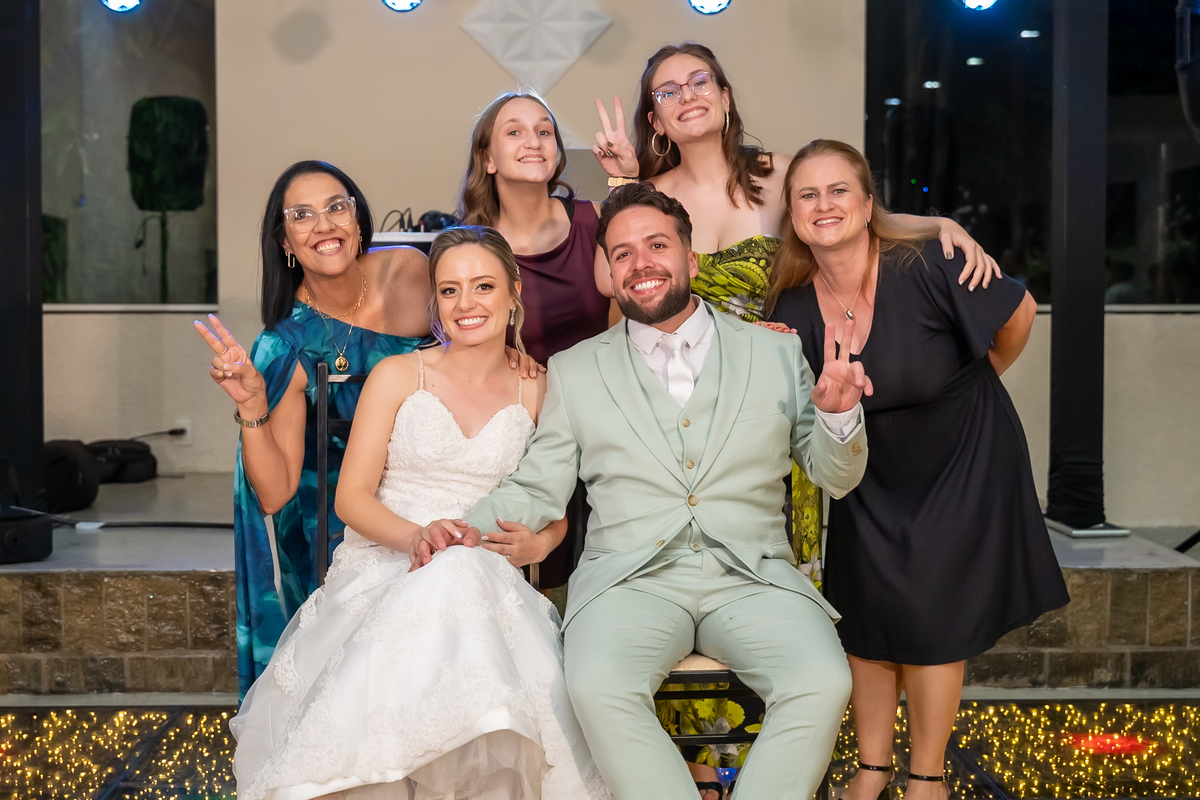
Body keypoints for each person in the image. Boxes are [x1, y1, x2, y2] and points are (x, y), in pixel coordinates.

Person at [417, 183, 870, 800]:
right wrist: (465, 526)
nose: (640, 263)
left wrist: (840, 418)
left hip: (753, 575)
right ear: (608, 272)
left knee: (823, 680)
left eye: (657, 245)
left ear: (690, 257)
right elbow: (538, 483)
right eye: (622, 253)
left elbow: (833, 476)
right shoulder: (576, 369)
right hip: (628, 581)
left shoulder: (776, 350)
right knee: (596, 685)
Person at [229, 226, 609, 800]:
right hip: (389, 558)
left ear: (513, 293)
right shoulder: (399, 375)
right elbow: (351, 497)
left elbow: (552, 501)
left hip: (486, 571)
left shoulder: (538, 389)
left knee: (462, 568)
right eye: (450, 290)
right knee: (449, 570)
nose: (466, 303)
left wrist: (544, 543)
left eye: (483, 286)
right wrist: (416, 537)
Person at [766, 140, 1069, 800]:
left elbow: (1019, 312)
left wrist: (979, 376)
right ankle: (871, 769)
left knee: (933, 619)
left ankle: (927, 777)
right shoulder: (789, 306)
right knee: (868, 617)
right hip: (867, 470)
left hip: (961, 455)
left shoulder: (927, 263)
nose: (824, 205)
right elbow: (799, 409)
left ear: (868, 203)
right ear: (791, 213)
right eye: (808, 194)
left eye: (839, 190)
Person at [193, 161, 536, 697]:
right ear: (284, 242)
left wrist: (516, 353)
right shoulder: (285, 345)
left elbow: (473, 317)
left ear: (357, 221)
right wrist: (254, 407)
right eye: (301, 215)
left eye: (336, 207)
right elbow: (275, 494)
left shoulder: (408, 271)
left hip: (440, 478)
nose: (323, 225)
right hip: (333, 515)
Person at [459, 90, 620, 596]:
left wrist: (625, 181)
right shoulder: (470, 248)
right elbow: (450, 336)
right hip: (521, 426)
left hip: (605, 416)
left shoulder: (596, 221)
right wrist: (496, 349)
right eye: (514, 131)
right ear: (487, 158)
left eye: (544, 131)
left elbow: (636, 307)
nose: (533, 141)